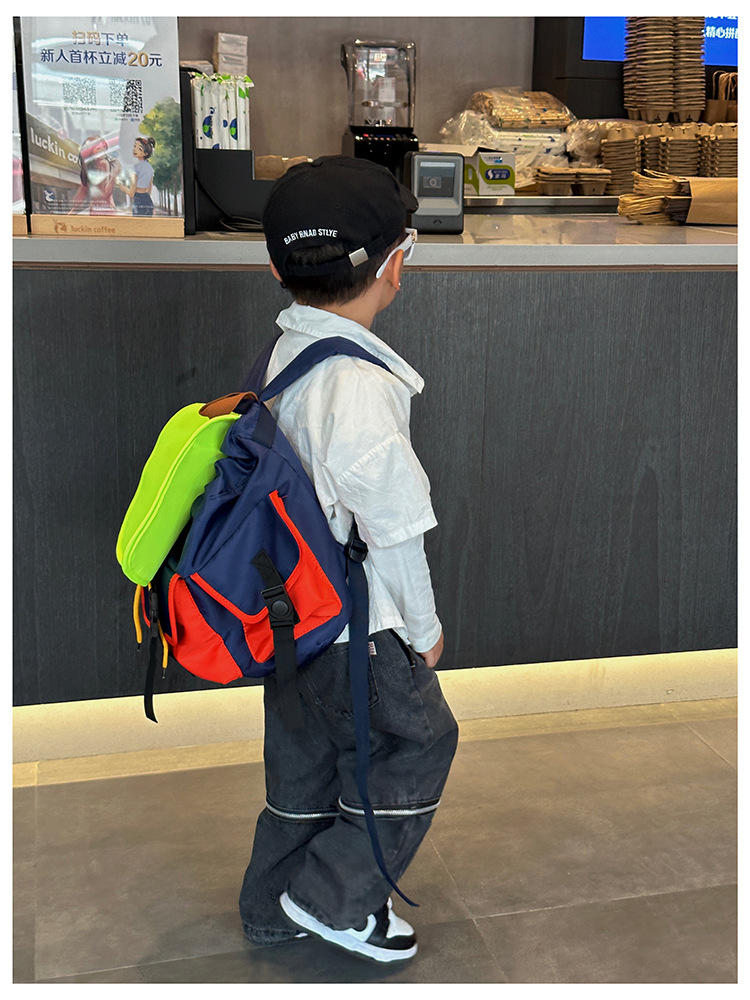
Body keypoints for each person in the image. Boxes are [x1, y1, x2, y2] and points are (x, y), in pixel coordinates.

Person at [237, 155, 459, 965]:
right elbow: (393, 529)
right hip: (355, 624)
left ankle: (273, 908)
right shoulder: (356, 386)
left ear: (276, 268)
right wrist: (424, 632)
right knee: (418, 742)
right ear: (396, 263)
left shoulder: (284, 355)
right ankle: (332, 901)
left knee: (304, 764)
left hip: (287, 614)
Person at [70, 135, 120, 215]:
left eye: (104, 147)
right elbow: (103, 193)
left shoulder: (101, 164)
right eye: (100, 148)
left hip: (101, 211)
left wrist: (73, 211)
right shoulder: (98, 165)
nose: (104, 150)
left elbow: (104, 193)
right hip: (104, 211)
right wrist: (114, 175)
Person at [119, 136, 156, 216]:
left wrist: (123, 188)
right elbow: (149, 188)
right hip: (148, 201)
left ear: (145, 153)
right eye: (135, 146)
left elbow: (132, 193)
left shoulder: (136, 168)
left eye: (139, 148)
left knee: (138, 223)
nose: (135, 149)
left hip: (138, 200)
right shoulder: (150, 168)